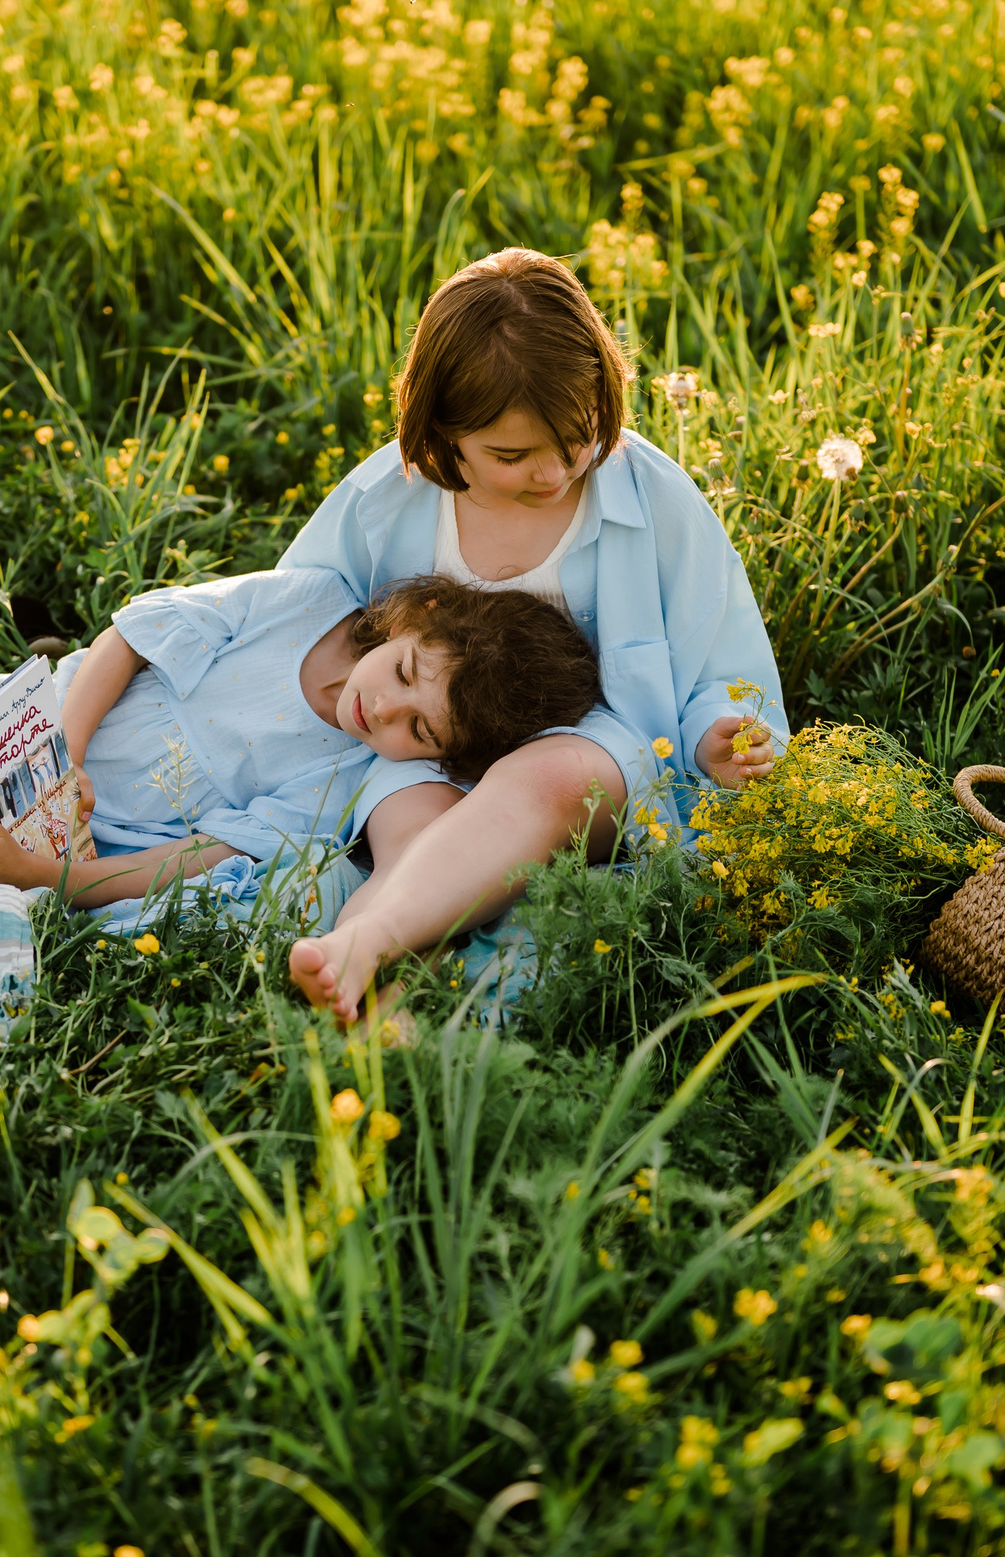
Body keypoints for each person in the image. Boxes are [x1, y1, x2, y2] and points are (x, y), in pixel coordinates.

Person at [282, 247, 789, 1020]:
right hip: (418, 743)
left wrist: (716, 735)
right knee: (414, 831)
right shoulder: (388, 496)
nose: (553, 474)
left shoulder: (651, 498)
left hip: (593, 750)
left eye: (576, 437)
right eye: (512, 456)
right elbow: (294, 616)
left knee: (543, 780)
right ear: (442, 433)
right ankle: (366, 983)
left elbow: (717, 652)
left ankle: (374, 941)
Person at [0, 572, 601, 909]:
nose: (385, 716)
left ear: (446, 760)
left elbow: (198, 857)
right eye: (403, 678)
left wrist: (42, 875)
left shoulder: (349, 780)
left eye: (420, 731)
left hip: (66, 836)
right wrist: (68, 752)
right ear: (420, 615)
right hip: (32, 728)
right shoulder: (308, 601)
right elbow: (129, 637)